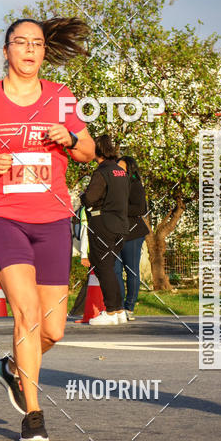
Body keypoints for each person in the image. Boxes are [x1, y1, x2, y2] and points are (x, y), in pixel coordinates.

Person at [0, 17, 95, 441]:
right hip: (2, 216)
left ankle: (11, 367)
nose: (30, 50)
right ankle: (33, 414)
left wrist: (68, 137)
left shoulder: (62, 97)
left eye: (37, 44)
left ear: (44, 52)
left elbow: (88, 151)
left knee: (54, 330)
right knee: (27, 314)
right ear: (6, 49)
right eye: (21, 43)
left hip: (53, 220)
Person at [80, 134, 130, 326]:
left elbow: (90, 198)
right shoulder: (120, 172)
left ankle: (110, 311)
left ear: (97, 151)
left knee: (103, 267)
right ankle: (119, 310)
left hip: (103, 223)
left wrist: (84, 197)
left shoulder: (101, 172)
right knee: (109, 267)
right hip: (121, 225)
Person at [114, 155, 149, 321]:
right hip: (113, 233)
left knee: (131, 270)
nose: (118, 171)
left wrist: (119, 209)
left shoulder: (135, 184)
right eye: (116, 168)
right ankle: (119, 308)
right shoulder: (112, 183)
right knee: (114, 271)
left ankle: (129, 307)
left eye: (121, 168)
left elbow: (141, 208)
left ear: (129, 170)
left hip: (133, 233)